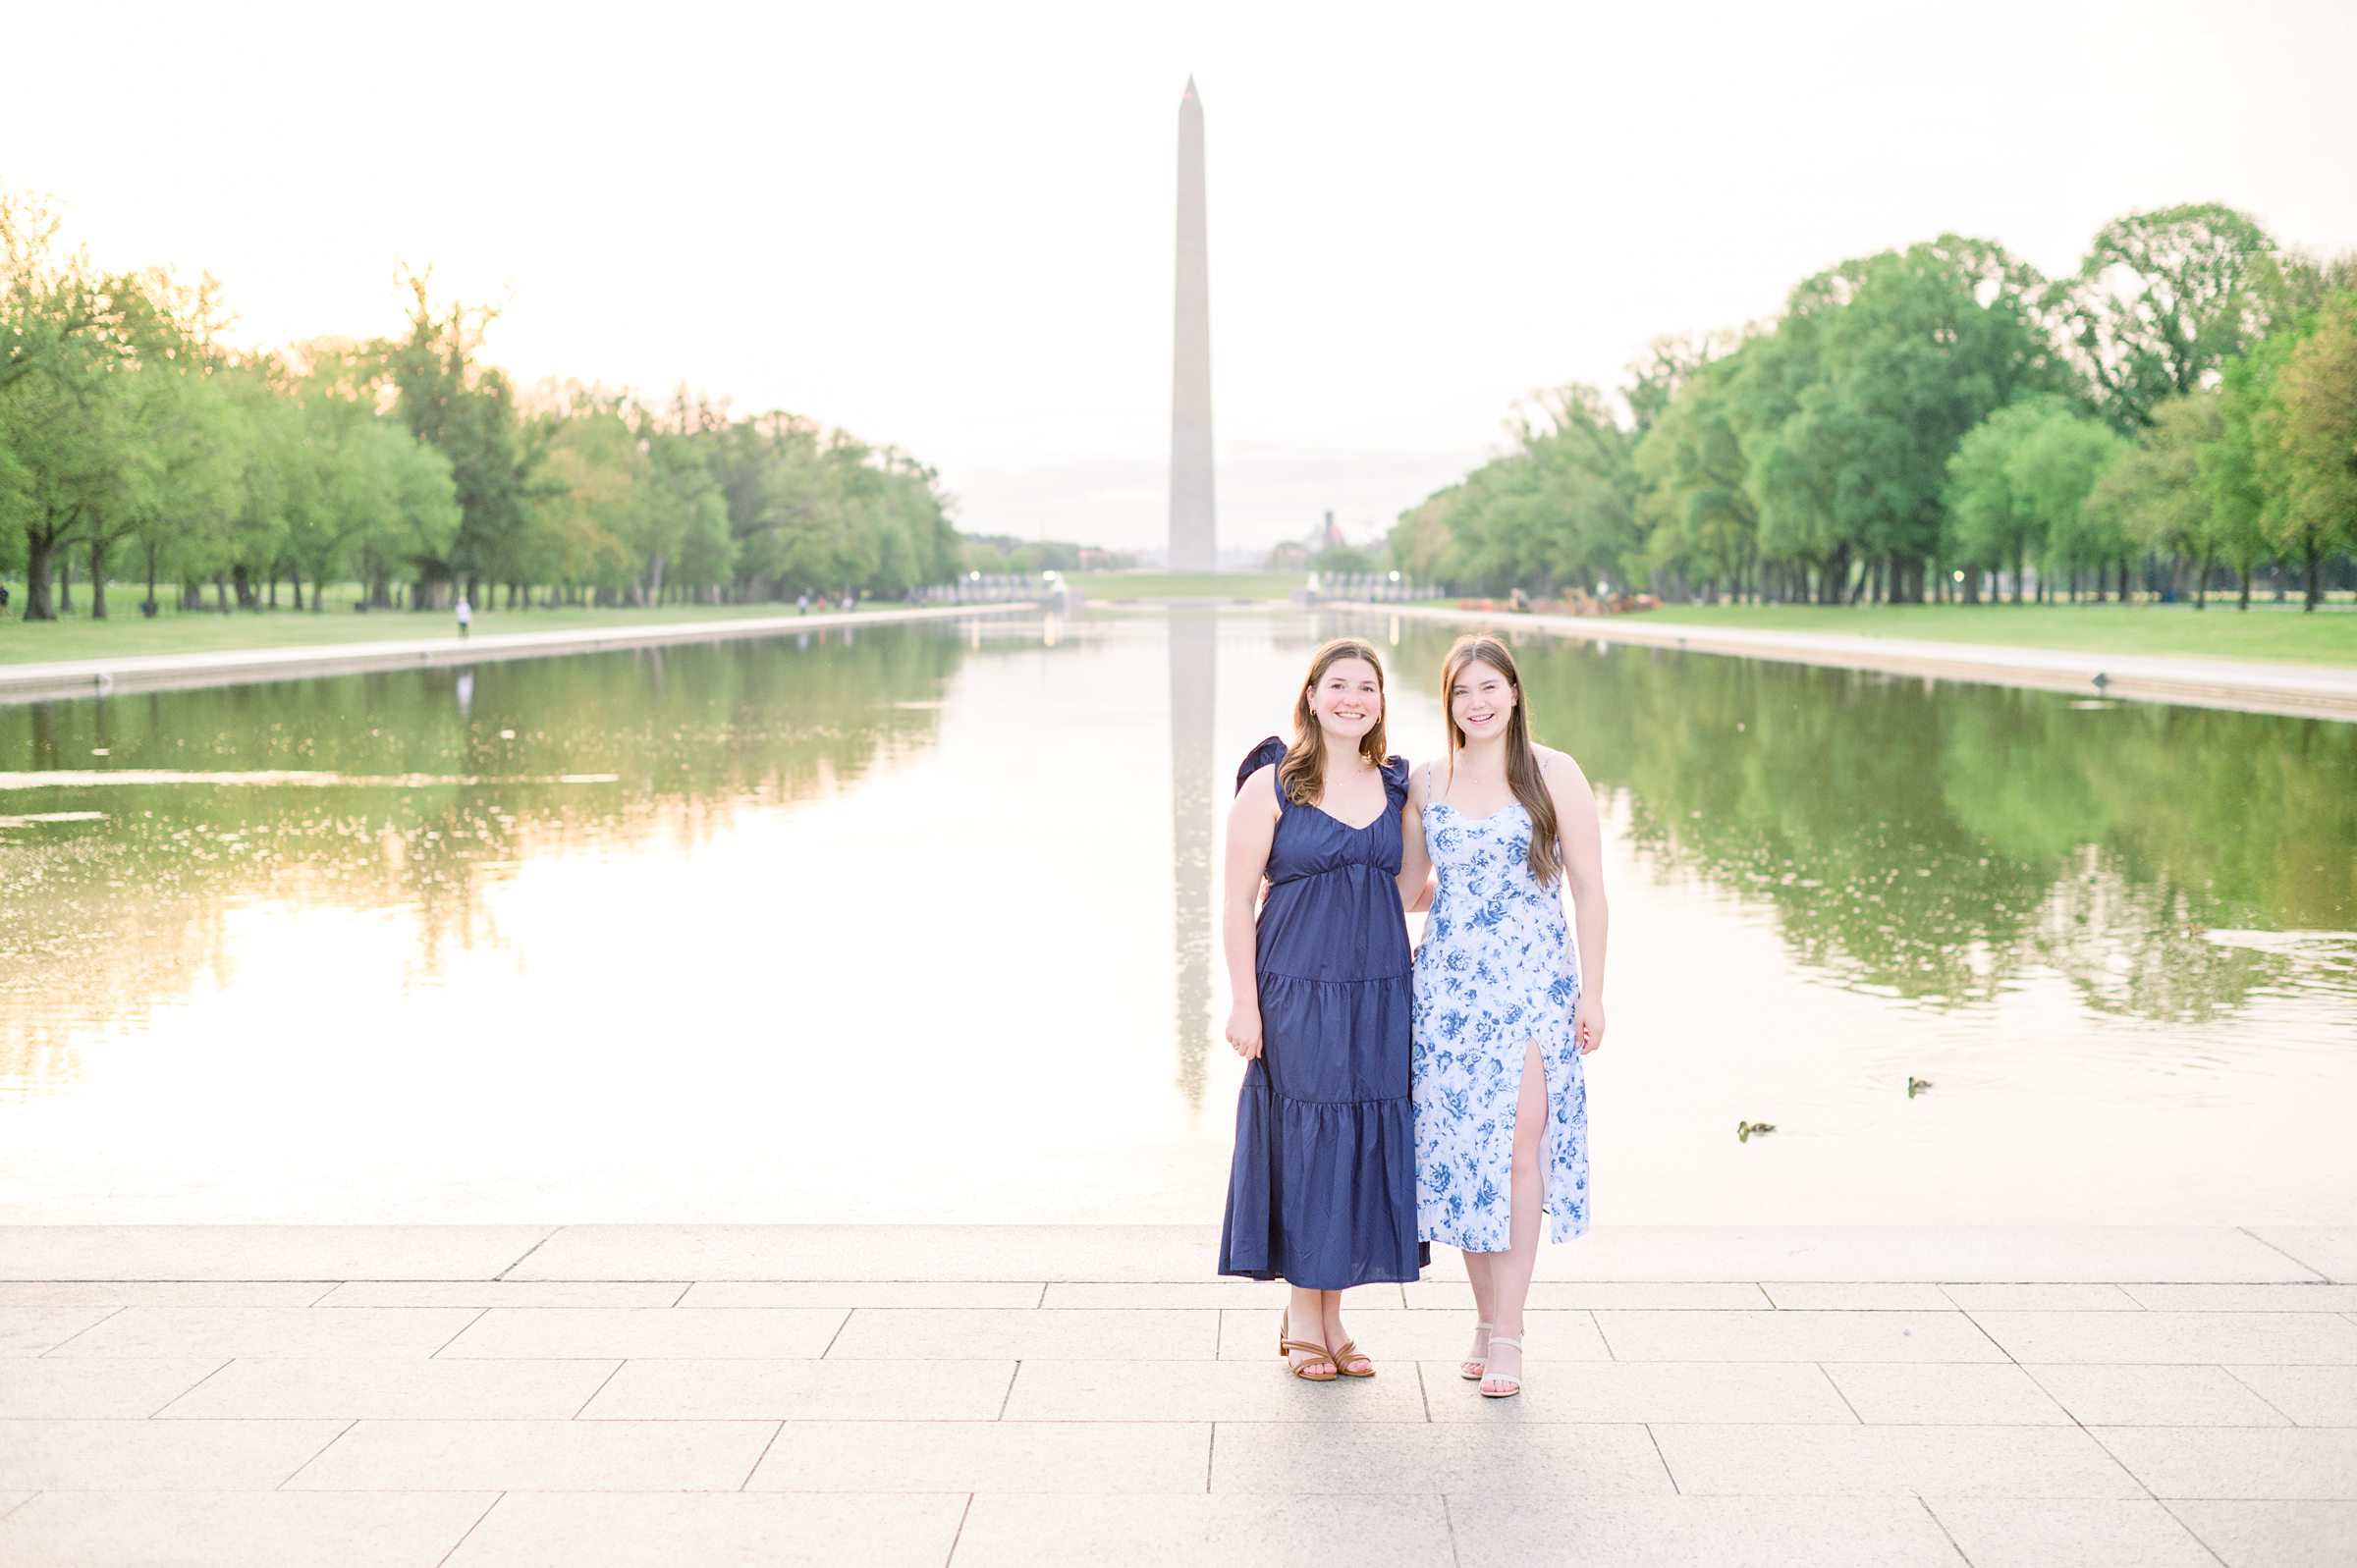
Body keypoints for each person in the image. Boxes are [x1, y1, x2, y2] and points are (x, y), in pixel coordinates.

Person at [1398, 633, 1609, 1398]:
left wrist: (1592, 991)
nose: (1477, 703)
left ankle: (1512, 1333)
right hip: (1448, 992)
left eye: (1490, 688)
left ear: (1514, 692)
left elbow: (1588, 886)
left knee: (1518, 1151)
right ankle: (1485, 1318)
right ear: (1447, 700)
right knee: (1461, 1155)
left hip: (1530, 988)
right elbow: (1409, 887)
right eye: (1462, 691)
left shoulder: (1554, 772)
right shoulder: (1428, 780)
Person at [1219, 636, 1427, 1380]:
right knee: (1308, 1139)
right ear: (1311, 694)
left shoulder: (1398, 785)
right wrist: (1245, 1003)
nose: (1352, 698)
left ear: (1380, 701)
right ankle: (1306, 1316)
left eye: (1366, 687)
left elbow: (1408, 885)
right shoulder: (1272, 782)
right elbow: (1238, 900)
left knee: (1355, 1141)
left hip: (1377, 992)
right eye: (1338, 684)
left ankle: (1331, 1316)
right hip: (1295, 988)